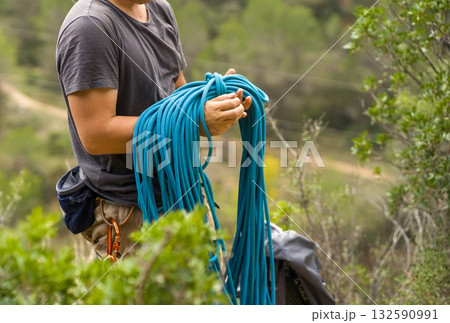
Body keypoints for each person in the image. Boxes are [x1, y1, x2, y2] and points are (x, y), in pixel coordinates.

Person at [56, 0, 252, 259]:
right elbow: (97, 135)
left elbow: (177, 93)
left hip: (181, 193)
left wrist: (213, 104)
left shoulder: (159, 9)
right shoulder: (90, 27)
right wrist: (194, 119)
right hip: (130, 213)